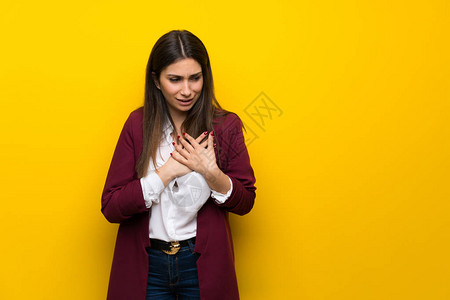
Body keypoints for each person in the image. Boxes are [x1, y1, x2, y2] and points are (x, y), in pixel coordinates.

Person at [101, 30, 256, 300]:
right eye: (175, 79)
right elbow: (112, 207)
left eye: (195, 78)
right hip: (148, 267)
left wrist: (212, 173)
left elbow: (245, 202)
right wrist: (165, 173)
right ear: (157, 81)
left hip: (201, 265)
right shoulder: (137, 126)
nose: (187, 90)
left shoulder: (226, 126)